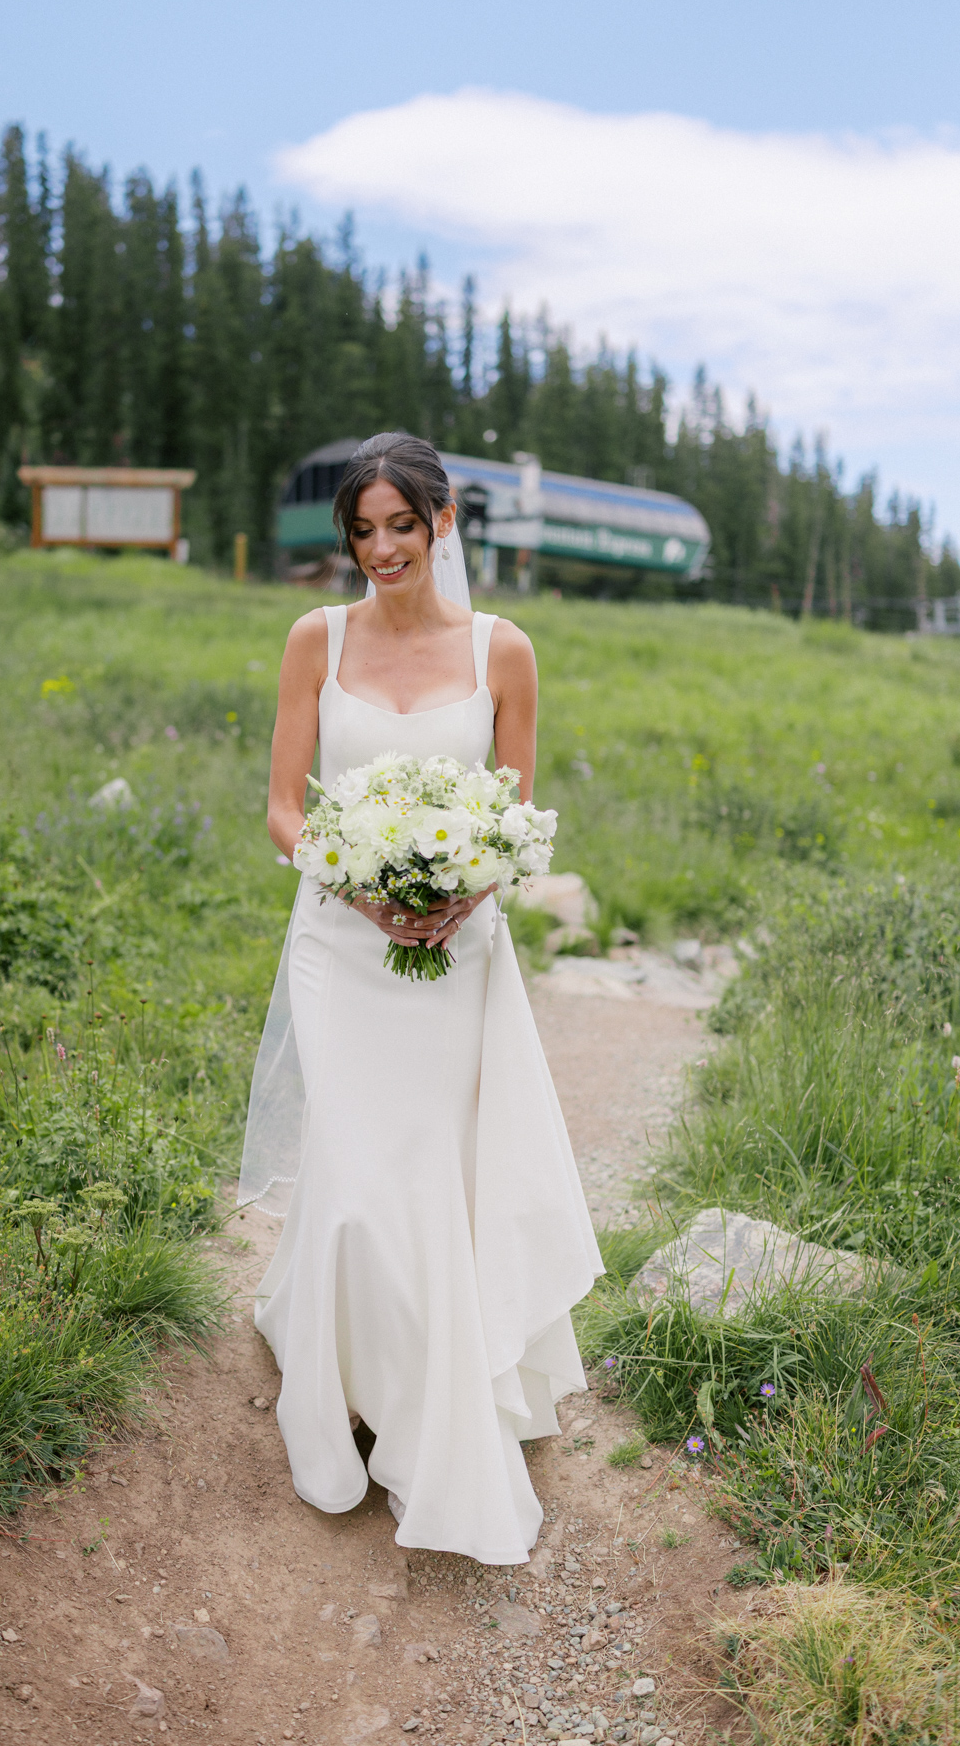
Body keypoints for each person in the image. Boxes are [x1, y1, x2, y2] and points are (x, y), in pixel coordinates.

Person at [239, 432, 602, 1564]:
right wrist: (357, 880)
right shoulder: (317, 638)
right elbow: (284, 810)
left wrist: (459, 894)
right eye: (364, 528)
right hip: (338, 941)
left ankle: (424, 1401)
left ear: (445, 524)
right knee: (352, 1168)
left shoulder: (506, 651)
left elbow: (517, 818)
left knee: (426, 1171)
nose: (383, 547)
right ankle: (342, 1384)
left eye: (404, 524)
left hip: (457, 948)